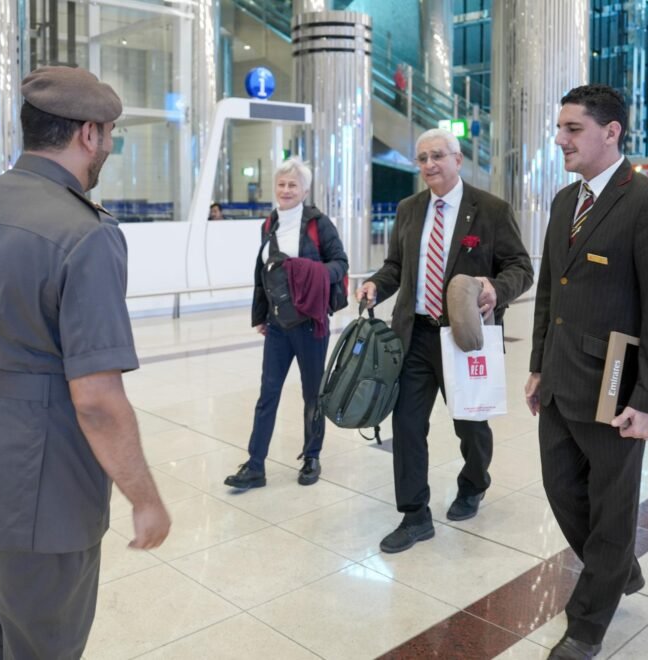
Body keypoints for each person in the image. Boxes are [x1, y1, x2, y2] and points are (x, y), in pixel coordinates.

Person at [0, 65, 170, 658]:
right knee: (45, 640)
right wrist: (146, 498)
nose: (107, 145)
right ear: (88, 134)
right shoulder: (85, 234)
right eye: (108, 134)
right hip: (43, 483)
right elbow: (97, 399)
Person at [524, 84, 648, 660]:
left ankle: (588, 624)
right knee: (562, 488)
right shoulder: (564, 201)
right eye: (560, 127)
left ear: (611, 131)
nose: (560, 138)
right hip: (561, 381)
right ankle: (618, 568)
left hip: (616, 390)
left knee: (612, 504)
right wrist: (538, 365)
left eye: (572, 128)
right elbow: (550, 291)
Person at [357, 128, 533, 554]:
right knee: (407, 425)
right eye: (422, 158)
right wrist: (376, 286)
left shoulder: (490, 209)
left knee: (470, 423)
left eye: (437, 156)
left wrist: (495, 289)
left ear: (457, 159)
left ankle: (474, 483)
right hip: (414, 334)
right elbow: (396, 266)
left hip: (465, 338)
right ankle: (414, 514)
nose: (429, 165)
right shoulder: (409, 209)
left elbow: (521, 267)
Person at [224, 157, 348, 489]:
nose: (286, 190)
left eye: (293, 185)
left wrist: (315, 273)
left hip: (310, 324)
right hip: (278, 325)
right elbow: (264, 275)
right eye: (281, 184)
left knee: (313, 395)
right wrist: (262, 315)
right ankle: (255, 465)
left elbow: (340, 262)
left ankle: (311, 457)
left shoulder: (318, 224)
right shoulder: (270, 224)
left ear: (305, 190)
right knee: (268, 394)